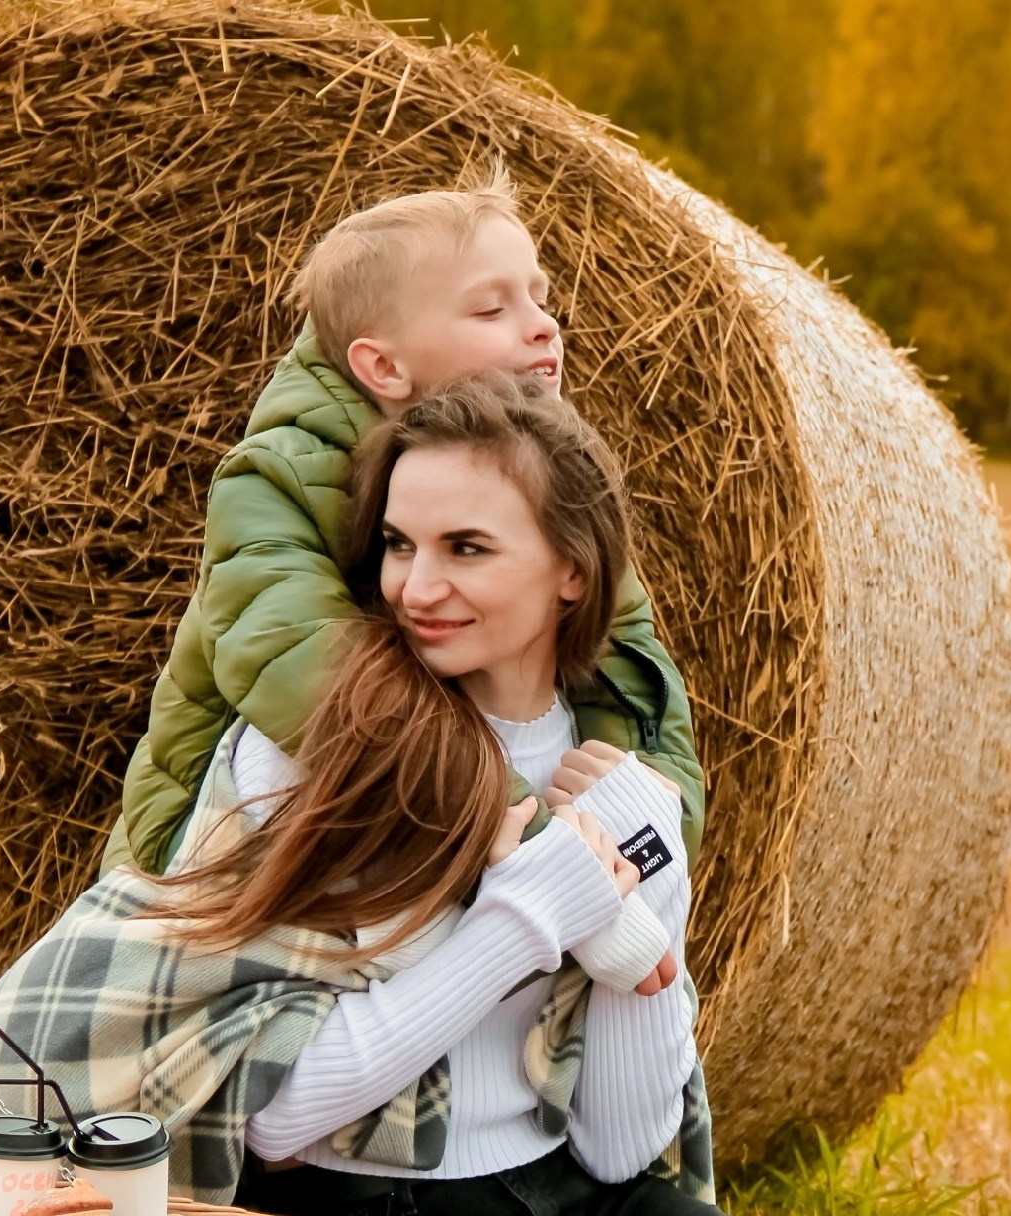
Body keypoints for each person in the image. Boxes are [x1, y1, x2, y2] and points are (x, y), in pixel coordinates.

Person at [154, 377, 1011, 1216]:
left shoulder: (612, 771)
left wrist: (639, 927)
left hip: (585, 1208)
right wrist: (527, 915)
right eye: (396, 543)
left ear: (570, 568)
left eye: (466, 547)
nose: (416, 586)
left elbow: (626, 1144)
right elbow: (278, 1117)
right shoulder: (320, 747)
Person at [101, 165, 705, 902]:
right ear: (384, 367)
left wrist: (648, 826)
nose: (544, 325)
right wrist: (539, 836)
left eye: (540, 299)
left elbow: (631, 674)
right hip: (223, 855)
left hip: (434, 813)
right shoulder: (279, 473)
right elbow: (295, 659)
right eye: (491, 311)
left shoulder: (545, 486)